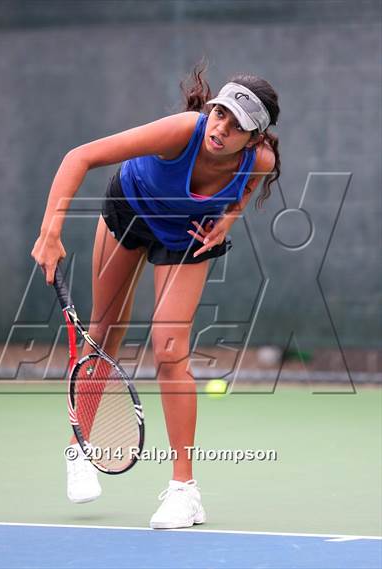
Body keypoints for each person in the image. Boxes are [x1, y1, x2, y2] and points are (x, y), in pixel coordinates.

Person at [31, 63, 281, 529]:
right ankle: (81, 446)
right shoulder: (181, 132)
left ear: (256, 138)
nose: (221, 128)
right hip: (130, 210)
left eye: (237, 126)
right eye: (220, 113)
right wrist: (50, 233)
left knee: (169, 351)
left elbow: (247, 185)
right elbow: (79, 156)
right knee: (104, 332)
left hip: (187, 235)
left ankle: (185, 491)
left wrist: (229, 216)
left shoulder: (259, 161)